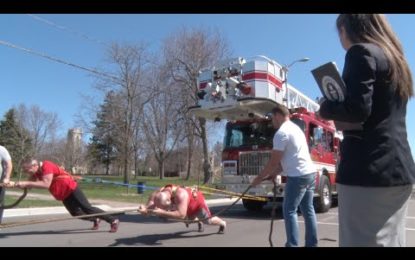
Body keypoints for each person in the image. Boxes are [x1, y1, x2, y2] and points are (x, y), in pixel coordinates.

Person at [318, 14, 415, 247]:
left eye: (339, 33)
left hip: (367, 170)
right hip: (399, 169)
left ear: (345, 29)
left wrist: (324, 107)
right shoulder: (396, 60)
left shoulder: (360, 52)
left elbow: (357, 109)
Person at [251, 104, 318, 247]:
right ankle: (312, 244)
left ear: (278, 115)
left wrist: (258, 179)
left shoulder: (281, 133)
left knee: (289, 210)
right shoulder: (296, 129)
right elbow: (288, 158)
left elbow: (273, 162)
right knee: (308, 209)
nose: (272, 122)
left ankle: (292, 245)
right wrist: (274, 174)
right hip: (310, 174)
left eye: (272, 118)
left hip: (298, 176)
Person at [16, 157, 120, 233]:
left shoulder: (47, 166)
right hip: (63, 193)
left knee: (87, 208)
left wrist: (25, 183)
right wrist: (16, 185)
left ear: (35, 165)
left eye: (27, 169)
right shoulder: (36, 172)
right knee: (75, 213)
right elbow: (30, 184)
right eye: (25, 170)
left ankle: (113, 220)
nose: (26, 172)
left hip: (71, 188)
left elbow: (45, 184)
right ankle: (95, 219)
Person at [138, 184, 227, 234]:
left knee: (208, 221)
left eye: (166, 208)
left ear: (169, 200)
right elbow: (148, 209)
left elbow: (181, 214)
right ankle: (197, 220)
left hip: (197, 203)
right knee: (188, 221)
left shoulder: (181, 195)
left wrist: (162, 212)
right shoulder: (157, 194)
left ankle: (222, 223)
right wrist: (144, 209)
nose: (167, 209)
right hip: (184, 205)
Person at [0, 145, 13, 223]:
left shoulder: (1, 149)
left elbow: (9, 164)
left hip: (0, 182)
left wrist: (7, 178)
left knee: (0, 203)